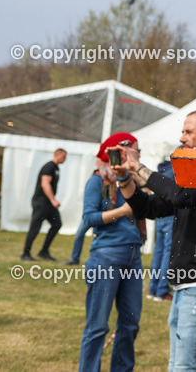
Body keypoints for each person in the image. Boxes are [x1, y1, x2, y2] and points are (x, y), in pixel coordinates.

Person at [114, 110, 196, 371]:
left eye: (189, 131)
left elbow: (178, 196)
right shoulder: (193, 173)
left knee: (185, 368)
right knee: (176, 366)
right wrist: (125, 178)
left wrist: (139, 167)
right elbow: (149, 208)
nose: (182, 137)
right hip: (187, 285)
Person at [78, 133, 143, 372]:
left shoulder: (133, 181)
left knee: (130, 323)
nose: (138, 155)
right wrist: (124, 211)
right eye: (134, 151)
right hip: (105, 257)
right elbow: (89, 219)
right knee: (97, 326)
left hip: (133, 256)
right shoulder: (97, 181)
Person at [21, 148, 66, 261]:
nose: (65, 159)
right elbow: (45, 184)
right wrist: (53, 200)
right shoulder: (49, 167)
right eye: (63, 156)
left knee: (57, 224)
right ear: (57, 155)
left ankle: (44, 251)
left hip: (48, 204)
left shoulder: (56, 168)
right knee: (35, 227)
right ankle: (25, 254)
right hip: (41, 202)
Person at [147, 158, 176, 301]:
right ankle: (161, 290)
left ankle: (153, 288)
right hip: (170, 215)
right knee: (166, 254)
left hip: (159, 216)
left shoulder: (162, 169)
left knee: (158, 252)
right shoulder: (174, 171)